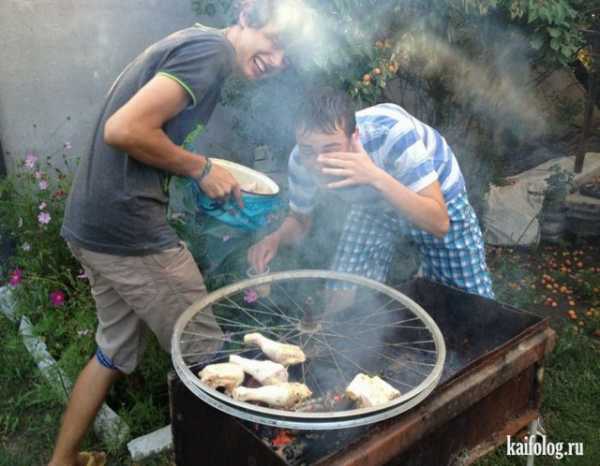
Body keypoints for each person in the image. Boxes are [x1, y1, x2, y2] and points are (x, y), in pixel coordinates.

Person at [49, 1, 307, 464]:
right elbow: (123, 129)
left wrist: (201, 175)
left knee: (113, 351)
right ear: (246, 16)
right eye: (274, 41)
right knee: (210, 359)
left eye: (287, 55)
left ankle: (62, 461)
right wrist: (200, 168)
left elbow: (146, 138)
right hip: (129, 231)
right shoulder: (209, 53)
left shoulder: (192, 42)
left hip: (94, 225)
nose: (277, 60)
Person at [248, 88, 495, 299]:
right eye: (308, 150)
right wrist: (275, 239)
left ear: (354, 137)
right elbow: (301, 221)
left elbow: (439, 223)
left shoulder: (393, 135)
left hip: (434, 199)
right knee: (343, 290)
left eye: (331, 148)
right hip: (374, 207)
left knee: (469, 302)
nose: (318, 162)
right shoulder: (300, 160)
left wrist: (374, 176)